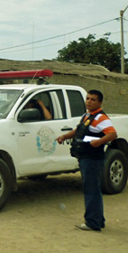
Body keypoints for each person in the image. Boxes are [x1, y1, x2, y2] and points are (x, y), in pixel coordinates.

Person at [56, 90, 117, 232]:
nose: (89, 101)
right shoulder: (87, 116)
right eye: (88, 98)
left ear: (100, 103)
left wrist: (99, 142)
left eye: (93, 99)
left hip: (92, 159)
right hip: (85, 157)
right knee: (92, 189)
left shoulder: (101, 118)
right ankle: (97, 220)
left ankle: (92, 222)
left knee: (92, 190)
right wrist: (64, 137)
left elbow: (112, 134)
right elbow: (78, 130)